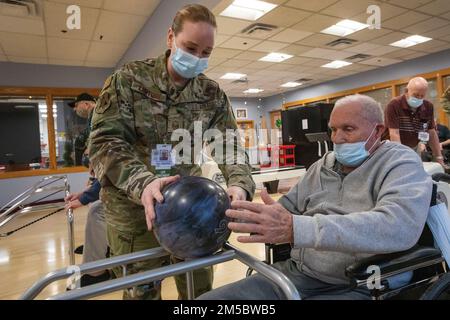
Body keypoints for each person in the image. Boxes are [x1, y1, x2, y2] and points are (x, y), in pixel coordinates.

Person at [88, 4, 255, 300]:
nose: (197, 58)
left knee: (198, 292)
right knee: (142, 292)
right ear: (170, 38)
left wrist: (240, 184)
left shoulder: (210, 95)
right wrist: (142, 183)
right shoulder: (128, 81)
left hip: (192, 212)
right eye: (190, 47)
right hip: (135, 214)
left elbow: (229, 146)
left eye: (206, 52)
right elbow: (105, 143)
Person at [198, 94, 432, 300]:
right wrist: (236, 213)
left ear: (378, 130)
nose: (337, 138)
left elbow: (398, 226)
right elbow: (285, 212)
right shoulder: (323, 166)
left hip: (366, 284)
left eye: (348, 129)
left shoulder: (400, 163)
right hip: (302, 275)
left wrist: (298, 229)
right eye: (333, 129)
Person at [66, 93, 110, 287]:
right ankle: (96, 250)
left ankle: (96, 272)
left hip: (122, 184)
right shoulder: (96, 118)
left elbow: (109, 161)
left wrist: (87, 196)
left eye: (76, 106)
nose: (76, 110)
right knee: (95, 206)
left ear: (85, 104)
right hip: (105, 178)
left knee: (96, 210)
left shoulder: (100, 114)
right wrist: (88, 193)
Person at [385, 77, 445, 168]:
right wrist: (401, 158)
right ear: (406, 91)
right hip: (393, 147)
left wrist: (438, 157)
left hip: (414, 146)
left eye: (422, 96)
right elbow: (394, 134)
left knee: (416, 171)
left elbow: (431, 133)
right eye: (416, 95)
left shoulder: (428, 106)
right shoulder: (394, 104)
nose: (419, 98)